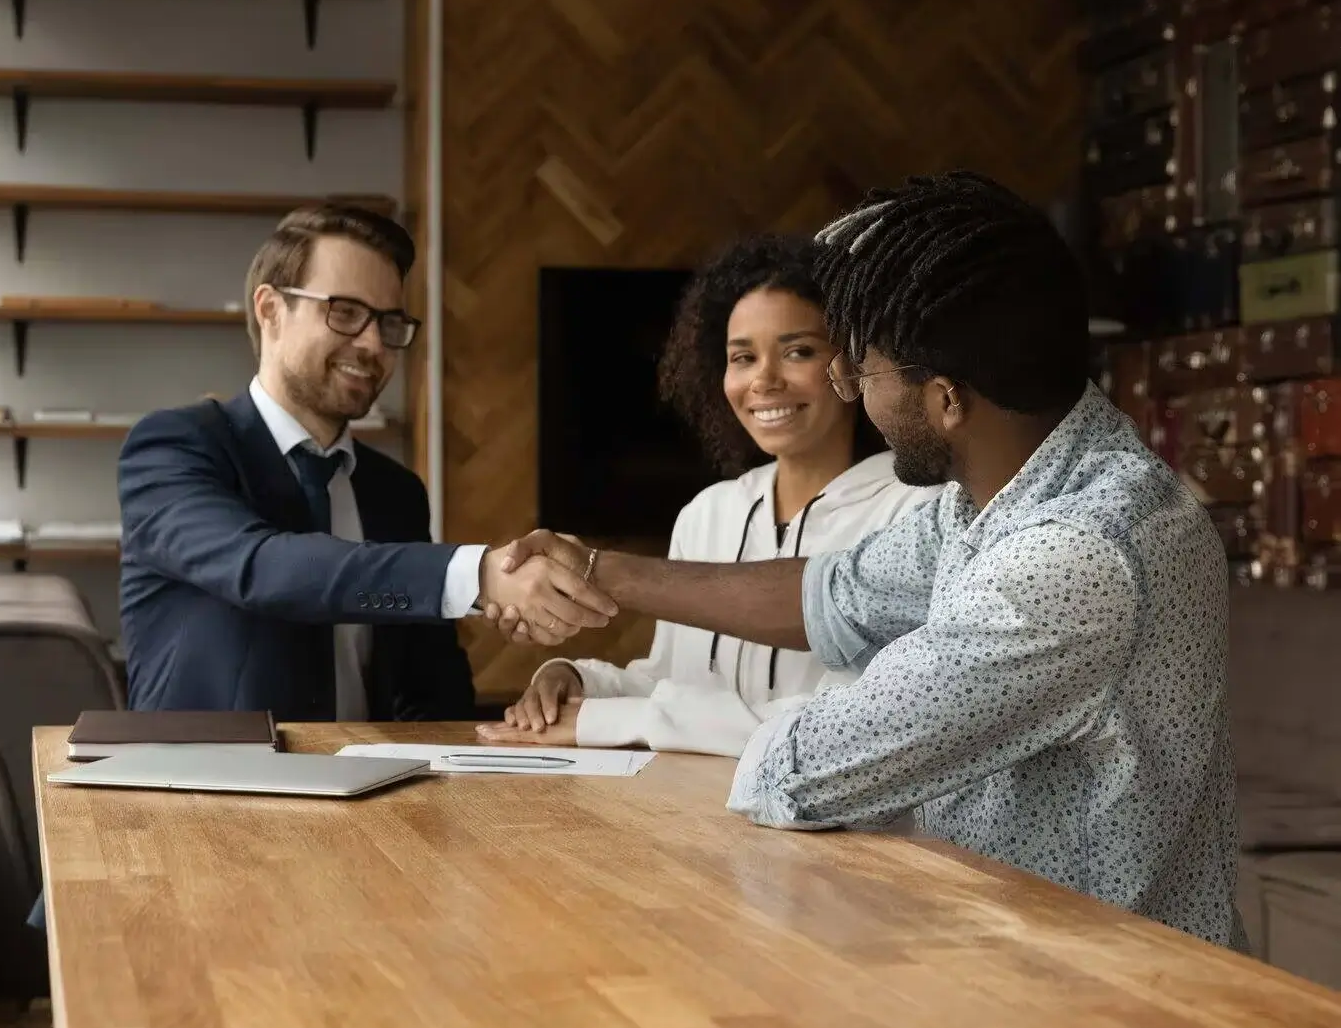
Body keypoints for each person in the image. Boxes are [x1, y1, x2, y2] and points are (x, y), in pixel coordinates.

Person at [486, 172, 1243, 949]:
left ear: (945, 399)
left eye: (862, 367)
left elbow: (799, 770)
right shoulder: (1006, 490)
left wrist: (638, 717)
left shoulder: (1069, 556)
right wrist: (596, 570)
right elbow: (833, 595)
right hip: (1005, 953)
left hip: (1110, 980)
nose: (848, 387)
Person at [117, 204, 615, 719]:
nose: (374, 343)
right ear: (270, 310)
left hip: (366, 770)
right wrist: (478, 576)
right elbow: (260, 567)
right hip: (199, 771)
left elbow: (432, 690)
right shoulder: (173, 447)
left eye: (389, 322)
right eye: (346, 313)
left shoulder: (395, 491)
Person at [475, 234, 938, 756]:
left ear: (853, 365)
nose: (764, 380)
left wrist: (609, 720)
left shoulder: (917, 513)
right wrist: (578, 683)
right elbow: (669, 681)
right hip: (686, 803)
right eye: (743, 357)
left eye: (798, 352)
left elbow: (847, 721)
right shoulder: (707, 512)